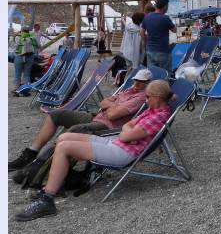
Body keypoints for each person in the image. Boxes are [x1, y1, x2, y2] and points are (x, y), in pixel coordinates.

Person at [14, 79, 173, 221]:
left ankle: (47, 199)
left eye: (148, 96)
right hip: (115, 143)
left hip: (122, 153)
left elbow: (126, 134)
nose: (145, 99)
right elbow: (127, 127)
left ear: (157, 97)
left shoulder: (158, 116)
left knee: (64, 147)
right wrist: (128, 129)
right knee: (64, 138)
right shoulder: (151, 110)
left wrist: (127, 130)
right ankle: (54, 182)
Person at [9, 69, 152, 173]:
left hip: (107, 125)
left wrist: (110, 105)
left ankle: (42, 167)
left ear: (148, 84)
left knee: (75, 131)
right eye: (136, 81)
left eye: (142, 82)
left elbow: (113, 115)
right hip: (96, 116)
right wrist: (111, 106)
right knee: (55, 115)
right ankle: (31, 153)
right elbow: (102, 103)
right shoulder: (127, 91)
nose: (137, 84)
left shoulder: (139, 98)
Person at [140, 0, 176, 72]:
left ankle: (154, 84)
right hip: (163, 51)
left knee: (153, 74)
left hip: (150, 51)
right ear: (165, 7)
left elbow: (141, 32)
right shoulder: (165, 18)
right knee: (165, 74)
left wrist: (146, 41)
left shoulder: (147, 17)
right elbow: (174, 30)